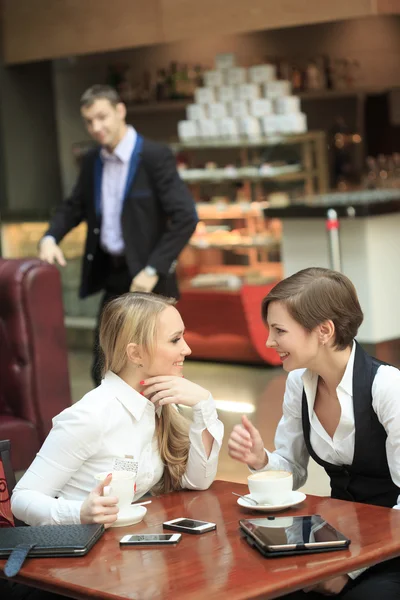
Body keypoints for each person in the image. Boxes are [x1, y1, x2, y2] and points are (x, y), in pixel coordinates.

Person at [228, 267, 400, 599]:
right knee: (259, 585)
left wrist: (348, 571)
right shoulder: (299, 383)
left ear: (323, 330)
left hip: (391, 548)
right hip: (337, 537)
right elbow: (292, 473)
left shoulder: (388, 387)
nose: (268, 342)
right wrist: (261, 459)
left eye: (279, 330)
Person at [11, 292, 223, 528]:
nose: (187, 349)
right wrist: (81, 512)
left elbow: (197, 482)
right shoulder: (90, 417)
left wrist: (204, 406)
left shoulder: (161, 404)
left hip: (125, 549)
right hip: (81, 553)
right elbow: (22, 499)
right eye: (175, 340)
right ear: (135, 353)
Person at [39, 84, 198, 385]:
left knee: (155, 368)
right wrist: (49, 237)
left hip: (150, 282)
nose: (96, 127)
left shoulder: (155, 156)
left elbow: (186, 216)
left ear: (120, 110)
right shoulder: (92, 161)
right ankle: (113, 431)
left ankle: (161, 431)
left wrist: (153, 268)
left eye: (102, 117)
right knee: (105, 365)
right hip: (112, 276)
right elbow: (74, 207)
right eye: (89, 121)